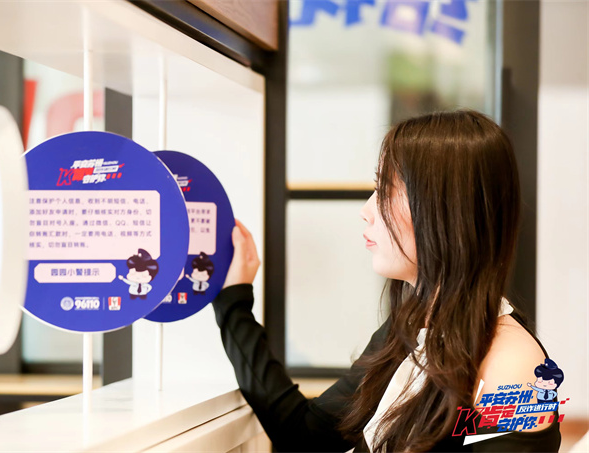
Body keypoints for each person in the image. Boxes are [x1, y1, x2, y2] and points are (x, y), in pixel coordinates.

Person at [212, 110, 562, 452]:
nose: (366, 210)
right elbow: (307, 435)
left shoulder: (513, 367)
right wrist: (232, 299)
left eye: (384, 190)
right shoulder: (411, 328)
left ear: (445, 208)